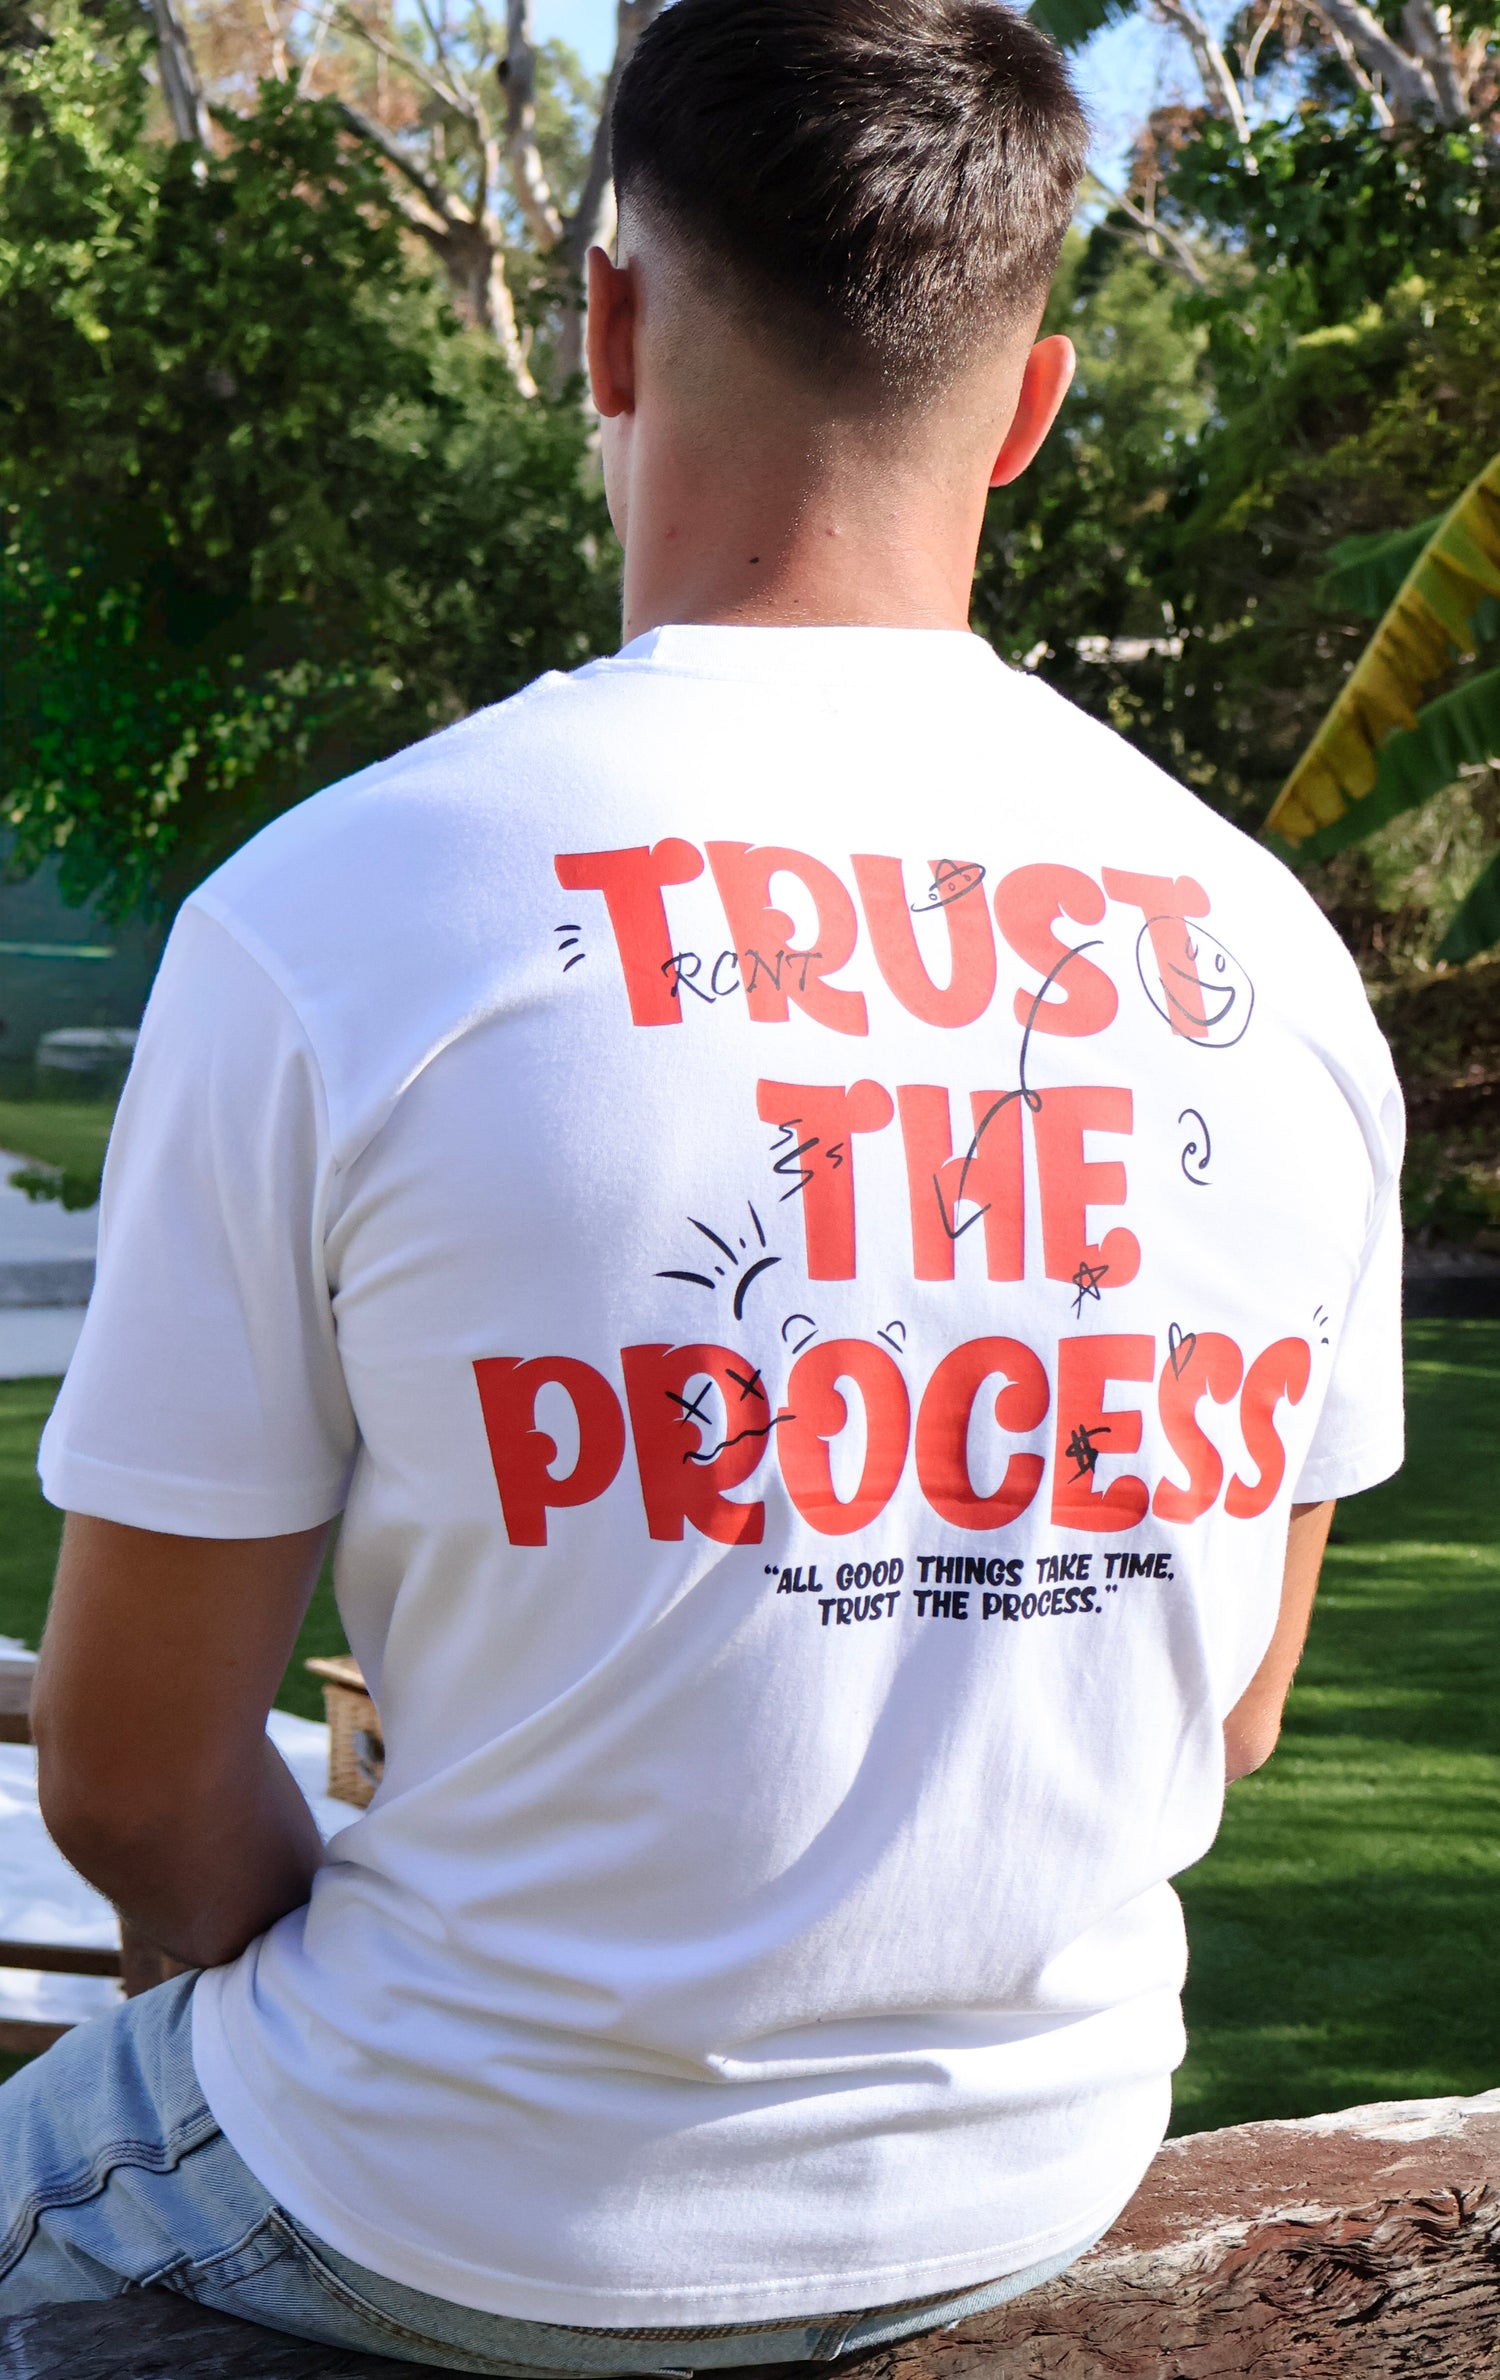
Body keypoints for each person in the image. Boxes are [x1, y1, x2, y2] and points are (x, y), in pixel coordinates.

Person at [0, 0, 1403, 2365]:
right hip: (1025, 2161)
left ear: (610, 328)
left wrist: (416, 2009)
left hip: (440, 2192)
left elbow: (134, 1781)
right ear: (1035, 402)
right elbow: (1239, 1704)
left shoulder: (342, 916)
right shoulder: (1276, 956)